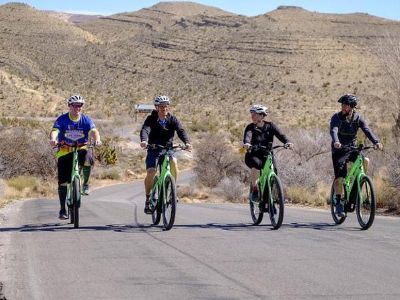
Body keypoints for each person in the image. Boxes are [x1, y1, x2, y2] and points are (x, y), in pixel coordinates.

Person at [330, 94, 383, 217]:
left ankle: (360, 182)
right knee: (340, 177)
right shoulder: (336, 117)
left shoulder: (358, 118)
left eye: (345, 105)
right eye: (342, 104)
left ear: (352, 106)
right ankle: (338, 201)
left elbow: (367, 130)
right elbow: (334, 130)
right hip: (339, 150)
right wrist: (336, 141)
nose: (343, 107)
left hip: (352, 148)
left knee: (366, 160)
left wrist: (376, 142)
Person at [49, 95, 102, 219]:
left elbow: (94, 131)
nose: (78, 108)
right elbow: (55, 130)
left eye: (80, 105)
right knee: (62, 182)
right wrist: (53, 139)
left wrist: (97, 139)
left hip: (81, 148)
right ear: (69, 106)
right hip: (65, 150)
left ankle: (86, 184)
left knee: (88, 158)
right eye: (75, 105)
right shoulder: (62, 119)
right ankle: (62, 209)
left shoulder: (85, 119)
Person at [140, 95, 192, 214]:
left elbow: (181, 131)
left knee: (173, 162)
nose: (164, 108)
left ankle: (171, 190)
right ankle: (148, 198)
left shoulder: (172, 119)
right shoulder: (151, 119)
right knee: (151, 172)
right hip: (154, 148)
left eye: (166, 106)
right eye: (161, 106)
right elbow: (145, 129)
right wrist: (144, 141)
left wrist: (187, 143)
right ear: (156, 107)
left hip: (168, 149)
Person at [243, 104, 293, 201]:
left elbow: (281, 135)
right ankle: (255, 189)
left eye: (254, 114)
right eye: (252, 114)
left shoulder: (271, 126)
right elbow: (247, 137)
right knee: (256, 165)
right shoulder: (250, 127)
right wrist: (247, 143)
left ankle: (271, 200)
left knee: (274, 172)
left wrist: (287, 142)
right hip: (253, 154)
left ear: (261, 116)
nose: (252, 116)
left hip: (267, 153)